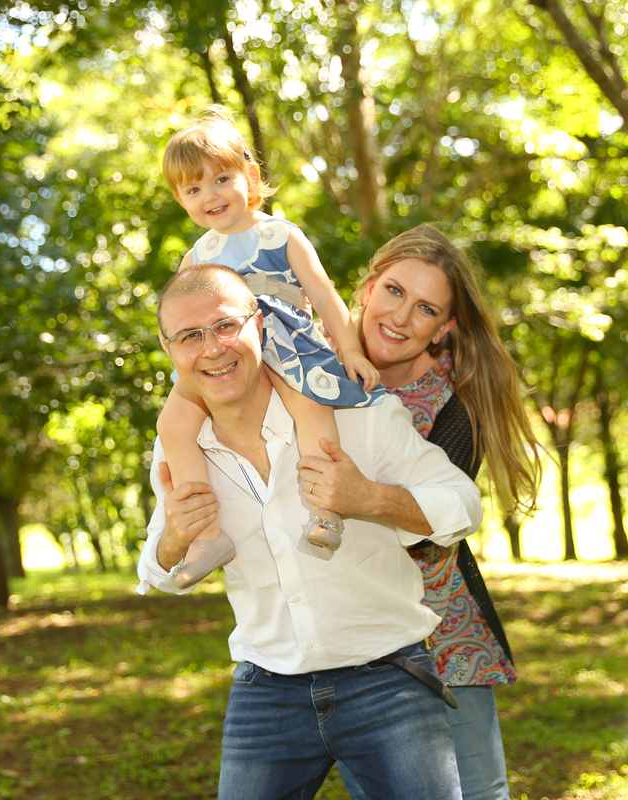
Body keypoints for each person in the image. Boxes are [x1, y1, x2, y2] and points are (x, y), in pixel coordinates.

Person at [137, 264, 484, 800]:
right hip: (266, 692)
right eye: (189, 336)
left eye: (226, 326)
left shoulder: (358, 415)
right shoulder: (180, 451)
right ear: (168, 348)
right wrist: (174, 540)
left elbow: (463, 504)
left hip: (387, 680)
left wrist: (368, 497)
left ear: (260, 324)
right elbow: (157, 572)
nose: (211, 349)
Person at [302, 224, 542, 800]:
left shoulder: (453, 409)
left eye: (426, 308)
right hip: (338, 631)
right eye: (393, 291)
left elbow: (433, 531)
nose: (401, 317)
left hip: (441, 630)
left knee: (477, 791)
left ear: (445, 328)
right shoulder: (302, 369)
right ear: (366, 287)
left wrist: (365, 496)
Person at [156, 106, 383, 588]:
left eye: (220, 179)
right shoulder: (197, 256)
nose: (209, 196)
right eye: (193, 189)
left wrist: (352, 351)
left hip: (288, 344)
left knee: (311, 409)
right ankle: (206, 535)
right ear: (180, 199)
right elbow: (186, 319)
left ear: (249, 175)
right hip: (228, 353)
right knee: (172, 421)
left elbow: (323, 295)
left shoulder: (280, 234)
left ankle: (327, 510)